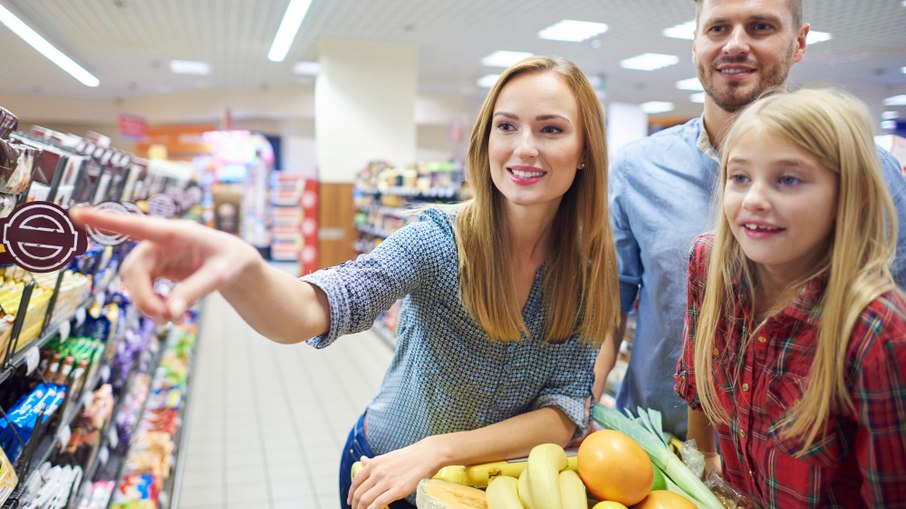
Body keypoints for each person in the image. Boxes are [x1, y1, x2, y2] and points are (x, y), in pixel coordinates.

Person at [71, 56, 620, 509]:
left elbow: (565, 409)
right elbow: (325, 304)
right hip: (385, 473)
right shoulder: (441, 239)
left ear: (584, 154)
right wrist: (244, 267)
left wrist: (439, 450)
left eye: (551, 129)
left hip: (487, 492)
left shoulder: (590, 269)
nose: (525, 147)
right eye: (508, 126)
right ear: (486, 141)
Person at [595, 0, 906, 437]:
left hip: (811, 462)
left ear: (799, 43)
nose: (736, 45)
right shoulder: (636, 170)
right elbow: (607, 312)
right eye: (718, 28)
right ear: (695, 43)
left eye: (760, 27)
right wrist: (579, 407)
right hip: (658, 448)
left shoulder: (864, 172)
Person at [675, 88, 906, 507]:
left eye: (788, 179)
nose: (755, 199)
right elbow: (697, 383)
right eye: (740, 177)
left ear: (850, 196)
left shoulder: (876, 331)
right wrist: (703, 459)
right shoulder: (710, 265)